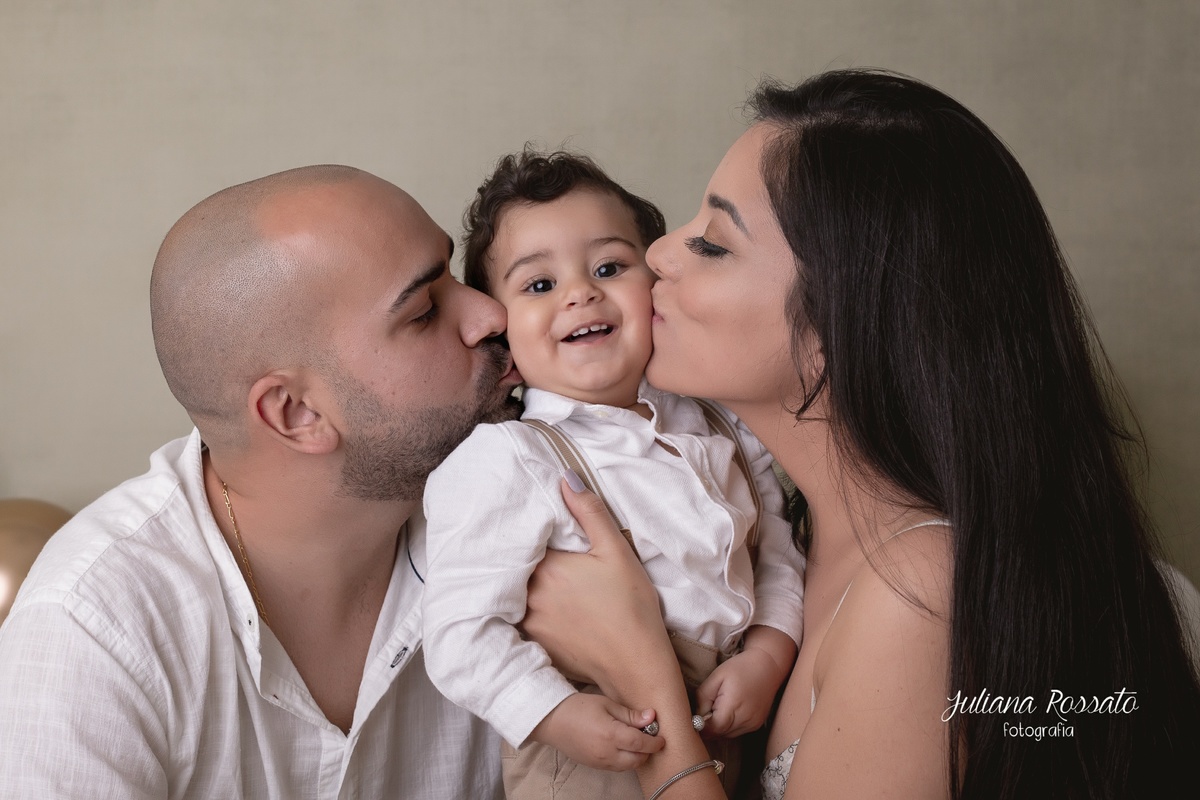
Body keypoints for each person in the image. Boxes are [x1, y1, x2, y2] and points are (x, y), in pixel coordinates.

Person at [522, 69, 1200, 799]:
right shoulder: (783, 528)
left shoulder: (916, 596)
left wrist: (640, 675)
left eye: (713, 243)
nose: (657, 254)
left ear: (839, 329)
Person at [0, 165, 532, 798]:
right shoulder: (93, 628)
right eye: (423, 312)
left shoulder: (531, 516)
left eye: (454, 274)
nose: (492, 313)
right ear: (296, 414)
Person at [420, 149, 804, 798]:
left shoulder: (724, 424)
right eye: (538, 286)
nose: (580, 293)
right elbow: (459, 634)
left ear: (657, 287)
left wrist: (767, 654)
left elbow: (778, 554)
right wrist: (553, 712)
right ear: (503, 339)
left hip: (721, 724)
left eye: (609, 267)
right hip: (589, 750)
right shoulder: (509, 460)